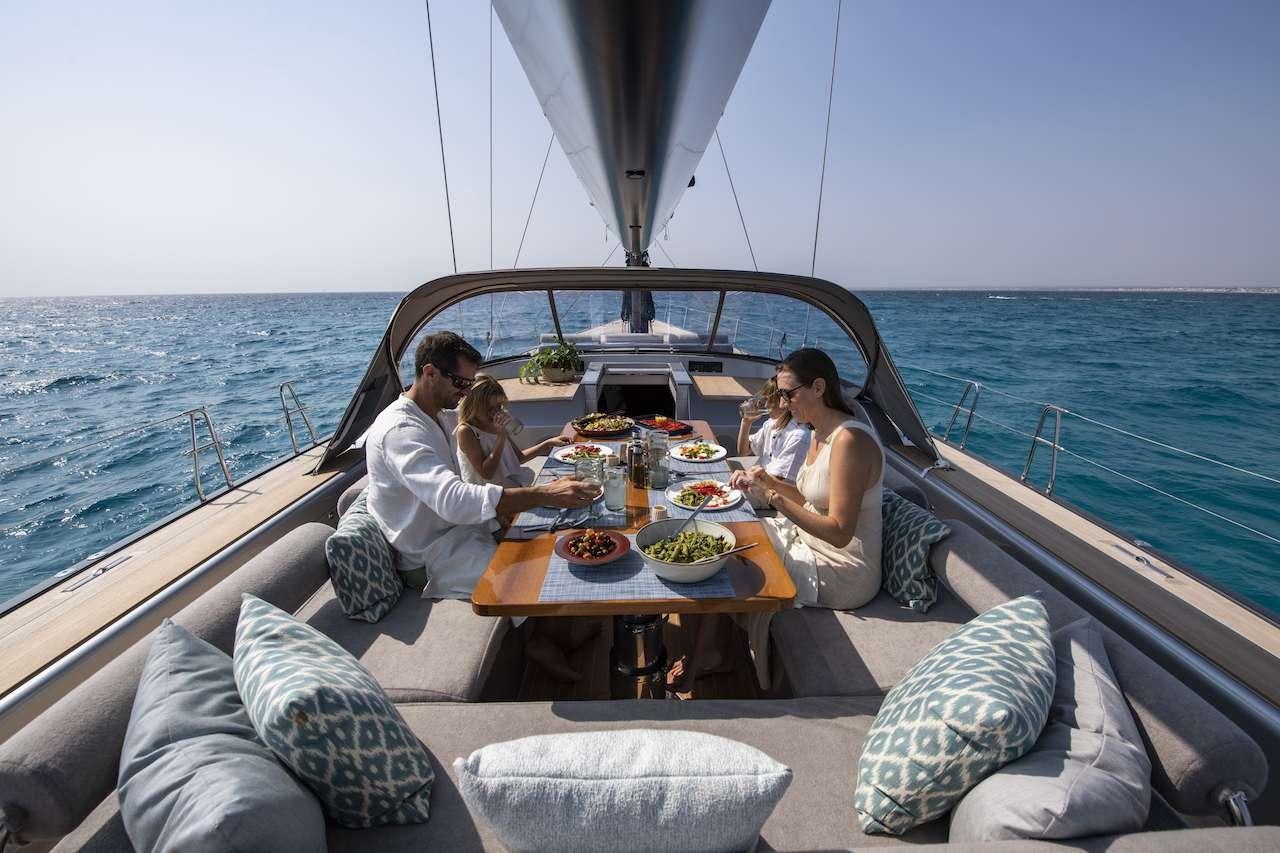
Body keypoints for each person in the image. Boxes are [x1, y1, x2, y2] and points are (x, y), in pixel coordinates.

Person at [364, 331, 599, 599]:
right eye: (461, 382)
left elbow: (479, 422)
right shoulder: (401, 431)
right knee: (532, 579)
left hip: (462, 533)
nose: (467, 392)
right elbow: (454, 500)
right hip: (429, 554)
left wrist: (504, 426)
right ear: (430, 373)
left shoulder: (438, 416)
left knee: (557, 543)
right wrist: (545, 493)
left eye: (469, 383)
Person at [735, 348, 885, 687]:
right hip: (806, 541)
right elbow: (810, 499)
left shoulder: (850, 441)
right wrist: (768, 481)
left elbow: (840, 532)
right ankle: (715, 651)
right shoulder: (819, 432)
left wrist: (772, 498)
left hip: (843, 570)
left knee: (735, 563)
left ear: (818, 388)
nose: (783, 403)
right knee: (732, 536)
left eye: (789, 394)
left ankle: (715, 656)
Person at [455, 373, 570, 488]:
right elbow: (487, 473)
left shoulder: (495, 424)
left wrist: (548, 443)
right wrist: (501, 437)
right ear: (473, 406)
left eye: (499, 407)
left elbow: (519, 458)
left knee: (566, 479)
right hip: (489, 493)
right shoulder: (466, 431)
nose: (496, 412)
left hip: (508, 484)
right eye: (489, 409)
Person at [729, 376, 810, 487]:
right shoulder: (771, 424)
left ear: (784, 400)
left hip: (771, 492)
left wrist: (746, 475)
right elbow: (743, 451)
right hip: (762, 483)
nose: (766, 405)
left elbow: (776, 484)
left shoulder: (798, 436)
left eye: (770, 400)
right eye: (765, 400)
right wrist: (746, 423)